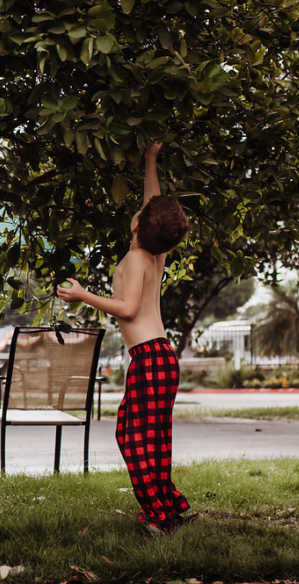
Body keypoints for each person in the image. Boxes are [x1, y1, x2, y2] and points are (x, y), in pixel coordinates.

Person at [57, 140, 194, 535]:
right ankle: (167, 508)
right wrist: (150, 159)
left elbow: (129, 308)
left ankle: (157, 516)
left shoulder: (137, 257)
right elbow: (153, 203)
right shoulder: (155, 253)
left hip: (150, 357)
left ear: (137, 224)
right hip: (160, 357)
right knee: (152, 440)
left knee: (132, 437)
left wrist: (84, 295)